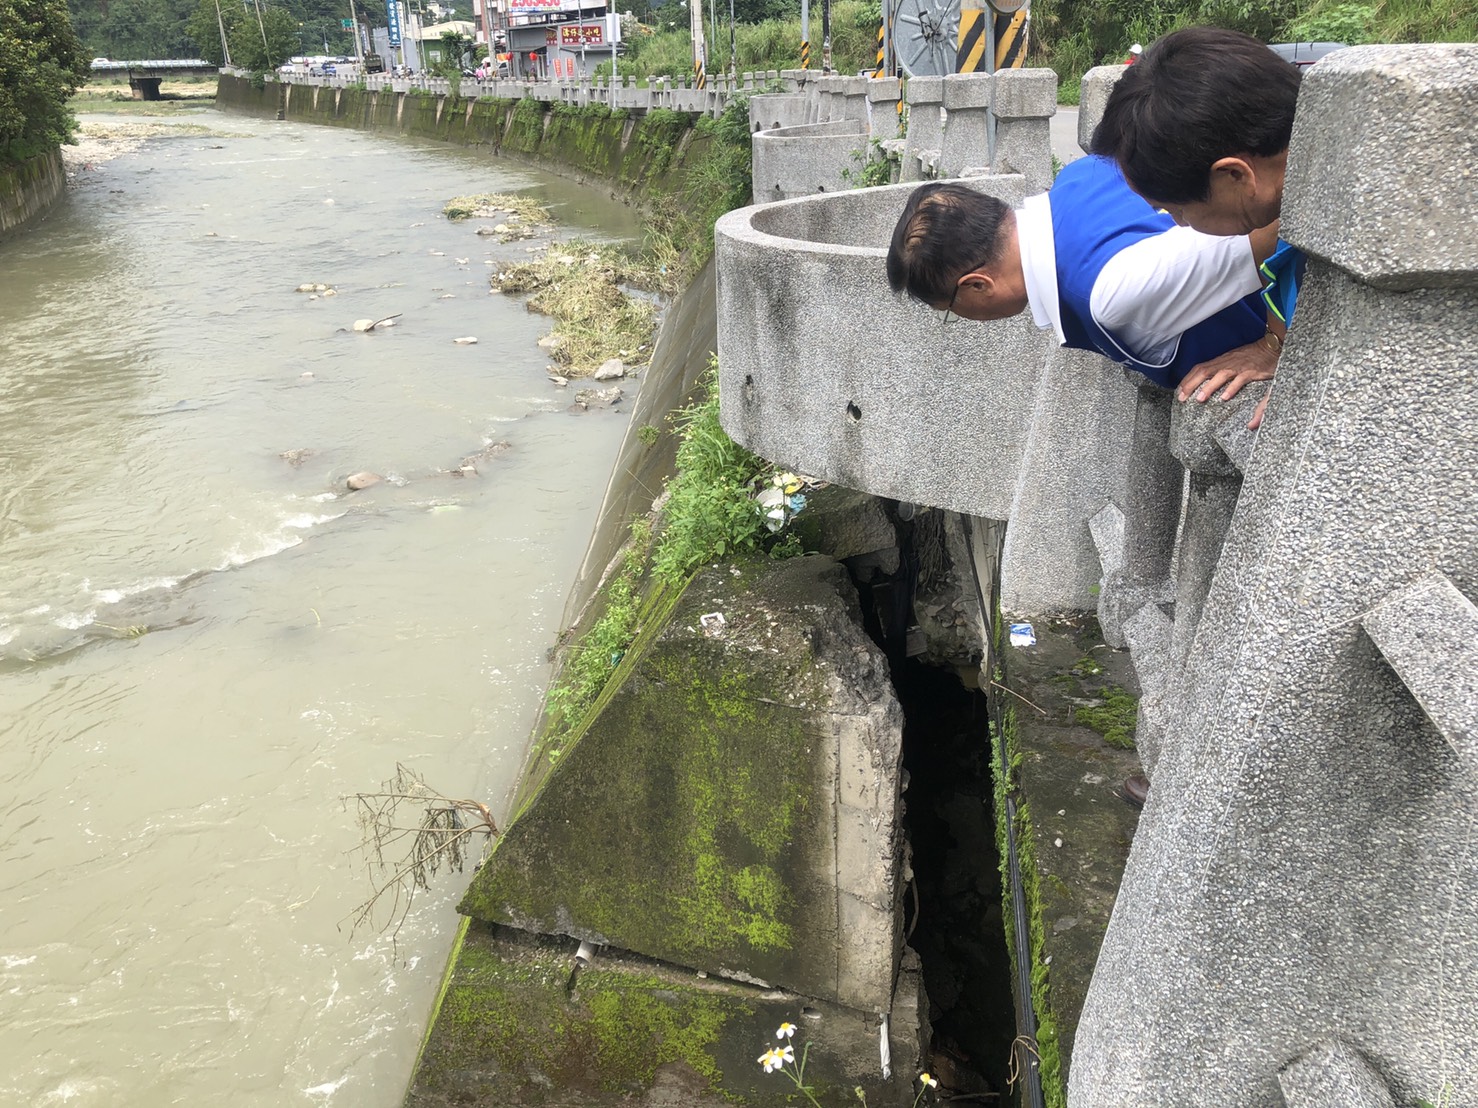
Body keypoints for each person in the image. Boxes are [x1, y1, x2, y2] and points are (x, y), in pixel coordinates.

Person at [887, 154, 1284, 414]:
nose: (965, 317)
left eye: (951, 310)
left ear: (976, 285)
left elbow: (1270, 221)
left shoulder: (1110, 292)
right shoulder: (1082, 172)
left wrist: (1275, 345)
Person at [1091, 27, 1307, 422]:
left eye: (1178, 210)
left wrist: (1311, 390)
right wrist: (1275, 344)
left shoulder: (1368, 220)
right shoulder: (1295, 200)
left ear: (1234, 176)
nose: (1179, 225)